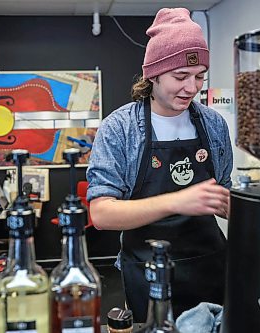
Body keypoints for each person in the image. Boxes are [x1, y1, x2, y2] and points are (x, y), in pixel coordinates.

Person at [86, 8, 233, 321]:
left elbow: (224, 191)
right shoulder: (121, 128)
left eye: (199, 77)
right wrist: (178, 201)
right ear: (153, 74)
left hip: (209, 267)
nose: (191, 88)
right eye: (180, 77)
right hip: (147, 273)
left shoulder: (213, 125)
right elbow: (101, 214)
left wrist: (234, 206)